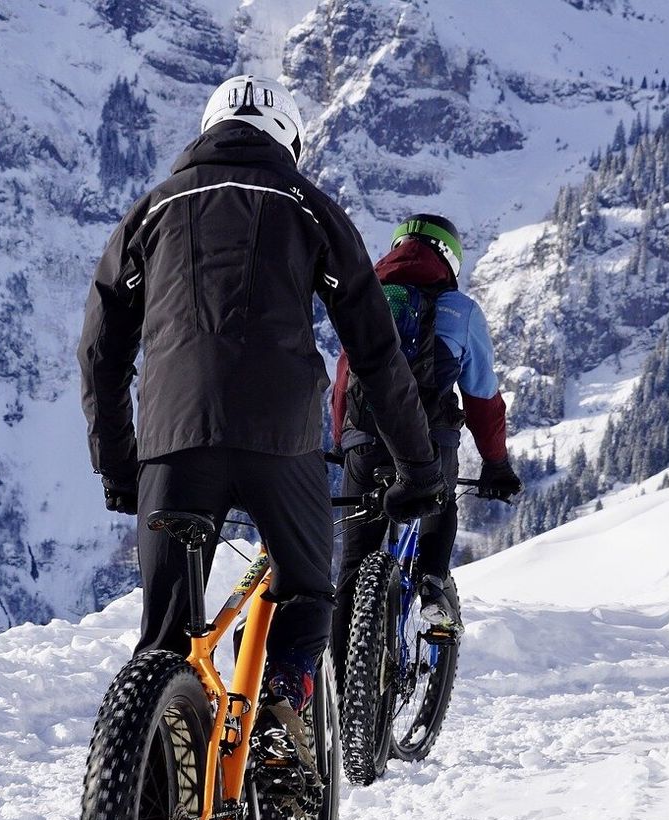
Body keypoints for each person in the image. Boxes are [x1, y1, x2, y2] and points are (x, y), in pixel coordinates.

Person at [76, 75, 443, 767]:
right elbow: (375, 353)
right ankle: (281, 704)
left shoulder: (149, 212)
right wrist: (418, 467)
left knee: (165, 641)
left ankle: (150, 804)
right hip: (280, 439)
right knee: (306, 589)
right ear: (289, 142)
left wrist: (121, 467)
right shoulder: (309, 206)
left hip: (173, 442)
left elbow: (101, 351)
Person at [331, 214, 522, 633]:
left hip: (364, 440)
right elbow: (483, 399)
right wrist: (496, 464)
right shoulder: (461, 310)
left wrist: (343, 441)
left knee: (354, 566)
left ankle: (343, 670)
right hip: (431, 443)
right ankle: (433, 584)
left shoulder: (369, 299)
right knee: (441, 501)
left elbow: (344, 379)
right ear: (450, 259)